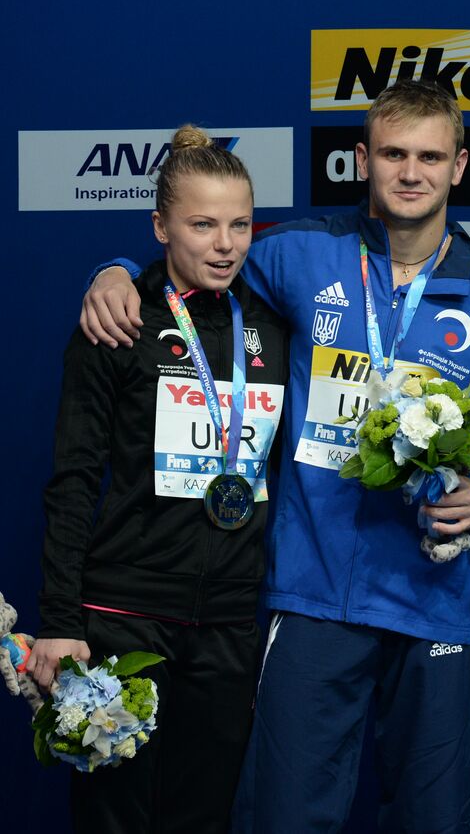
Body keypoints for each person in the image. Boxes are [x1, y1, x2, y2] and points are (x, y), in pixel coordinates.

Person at [79, 81, 470, 833]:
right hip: (314, 595)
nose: (410, 172)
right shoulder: (297, 254)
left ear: (460, 166)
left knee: (434, 821)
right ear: (361, 161)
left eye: (429, 156)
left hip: (437, 598)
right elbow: (194, 263)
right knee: (283, 817)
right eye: (392, 153)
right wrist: (118, 269)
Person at [30, 125, 289, 833]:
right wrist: (58, 621)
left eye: (239, 225)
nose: (224, 244)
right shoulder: (117, 319)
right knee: (113, 818)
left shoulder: (272, 326)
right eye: (202, 225)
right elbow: (74, 478)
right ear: (160, 226)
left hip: (230, 621)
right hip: (124, 614)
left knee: (201, 819)